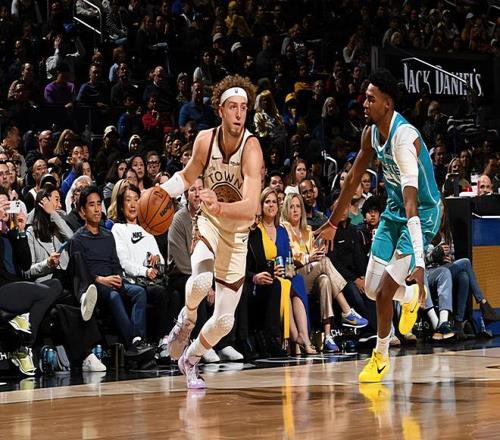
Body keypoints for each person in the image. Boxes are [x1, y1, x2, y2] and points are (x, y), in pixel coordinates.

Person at [316, 68, 442, 382]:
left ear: (388, 104)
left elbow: (413, 205)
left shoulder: (404, 139)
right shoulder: (370, 133)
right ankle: (410, 297)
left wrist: (420, 265)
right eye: (365, 98)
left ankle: (381, 356)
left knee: (385, 291)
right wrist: (332, 222)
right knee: (373, 289)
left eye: (371, 99)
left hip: (422, 214)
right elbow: (352, 180)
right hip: (394, 210)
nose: (364, 103)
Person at [161, 74, 263, 389]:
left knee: (224, 321)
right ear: (220, 110)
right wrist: (161, 191)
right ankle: (186, 319)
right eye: (233, 107)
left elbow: (251, 207)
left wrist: (219, 206)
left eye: (244, 107)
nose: (239, 113)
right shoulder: (205, 140)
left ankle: (190, 360)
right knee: (202, 280)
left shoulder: (251, 148)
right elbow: (187, 175)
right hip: (209, 223)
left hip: (237, 234)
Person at [70, 186, 152, 358]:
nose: (97, 209)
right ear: (83, 211)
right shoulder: (77, 239)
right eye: (91, 205)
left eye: (99, 204)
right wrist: (101, 279)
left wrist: (118, 277)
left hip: (112, 281)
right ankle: (131, 345)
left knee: (139, 292)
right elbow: (81, 273)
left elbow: (115, 263)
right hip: (94, 285)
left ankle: (139, 339)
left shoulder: (108, 236)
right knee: (113, 296)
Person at [281, 193, 368, 353]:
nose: (295, 210)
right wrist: (309, 258)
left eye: (298, 206)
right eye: (291, 206)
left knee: (325, 280)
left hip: (312, 274)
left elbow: (315, 253)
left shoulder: (307, 231)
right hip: (295, 276)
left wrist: (317, 253)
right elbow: (289, 258)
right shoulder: (284, 229)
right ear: (286, 209)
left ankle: (328, 336)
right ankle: (347, 311)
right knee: (325, 262)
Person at [111, 184, 179, 362]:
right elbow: (124, 262)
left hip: (152, 280)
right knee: (160, 293)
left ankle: (167, 340)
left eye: (136, 200)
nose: (133, 204)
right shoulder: (118, 229)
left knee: (174, 293)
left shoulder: (148, 228)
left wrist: (156, 259)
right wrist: (145, 270)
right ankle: (159, 343)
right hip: (134, 281)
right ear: (121, 206)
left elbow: (161, 260)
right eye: (128, 200)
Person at [248, 187, 315, 355]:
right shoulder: (256, 231)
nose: (271, 205)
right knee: (284, 285)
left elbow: (289, 259)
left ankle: (303, 337)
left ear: (278, 206)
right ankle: (297, 337)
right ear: (261, 205)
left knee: (296, 280)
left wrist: (287, 271)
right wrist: (272, 272)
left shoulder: (282, 231)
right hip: (267, 278)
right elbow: (256, 263)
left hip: (284, 275)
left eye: (274, 202)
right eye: (267, 202)